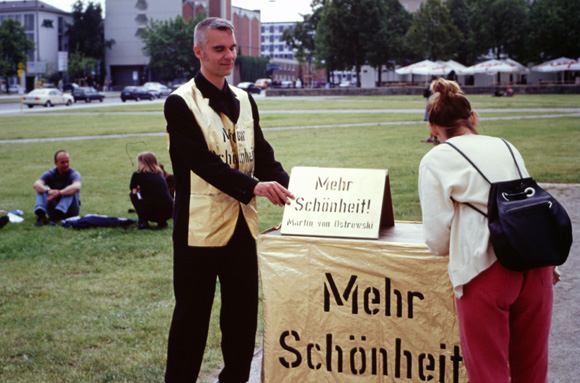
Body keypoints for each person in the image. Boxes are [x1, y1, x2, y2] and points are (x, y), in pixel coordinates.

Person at [163, 17, 294, 383]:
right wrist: (254, 187)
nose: (229, 56)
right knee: (191, 319)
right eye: (219, 49)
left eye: (232, 48)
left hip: (241, 229)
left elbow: (263, 156)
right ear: (198, 51)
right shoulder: (179, 103)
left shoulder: (245, 99)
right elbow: (201, 163)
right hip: (197, 233)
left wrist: (298, 189)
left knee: (241, 318)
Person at [418, 78, 554, 383]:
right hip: (537, 263)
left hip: (485, 268)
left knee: (488, 373)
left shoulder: (435, 160)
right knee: (531, 370)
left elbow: (438, 241)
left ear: (432, 127)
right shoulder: (506, 145)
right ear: (473, 118)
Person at [33, 150, 81, 226]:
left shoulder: (73, 173)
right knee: (41, 189)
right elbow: (36, 184)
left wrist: (58, 193)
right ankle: (41, 216)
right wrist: (48, 191)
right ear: (55, 163)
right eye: (62, 162)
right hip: (54, 208)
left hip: (71, 210)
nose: (66, 165)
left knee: (70, 189)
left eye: (67, 162)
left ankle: (57, 216)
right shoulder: (50, 173)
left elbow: (77, 186)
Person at [129, 152, 174, 230]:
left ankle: (143, 222)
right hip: (169, 211)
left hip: (151, 212)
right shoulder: (160, 173)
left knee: (133, 195)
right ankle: (162, 222)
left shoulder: (137, 174)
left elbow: (133, 190)